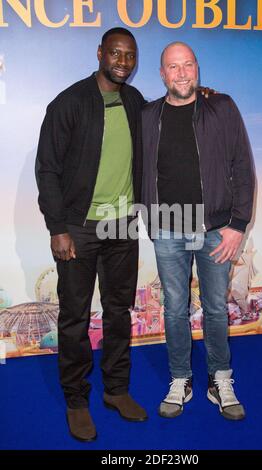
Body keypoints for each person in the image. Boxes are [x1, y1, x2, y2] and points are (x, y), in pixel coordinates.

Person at [36, 27, 148, 442]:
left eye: (130, 55)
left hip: (123, 227)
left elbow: (170, 119)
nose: (123, 61)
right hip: (78, 229)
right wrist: (57, 227)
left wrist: (203, 96)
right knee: (75, 317)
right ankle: (77, 400)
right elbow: (47, 168)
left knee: (119, 313)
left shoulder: (136, 102)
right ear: (100, 52)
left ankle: (117, 390)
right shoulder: (68, 103)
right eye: (116, 53)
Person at [141, 42, 255, 420]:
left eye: (188, 64)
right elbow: (137, 171)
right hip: (168, 231)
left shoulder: (221, 108)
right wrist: (150, 220)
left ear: (197, 68)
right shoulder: (147, 115)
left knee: (216, 309)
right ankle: (180, 378)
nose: (183, 73)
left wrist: (237, 225)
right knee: (174, 309)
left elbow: (242, 165)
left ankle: (220, 378)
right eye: (173, 67)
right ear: (162, 74)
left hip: (215, 230)